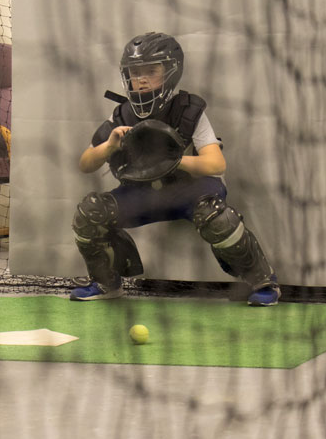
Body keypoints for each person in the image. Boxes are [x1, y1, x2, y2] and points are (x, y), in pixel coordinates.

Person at [69, 31, 280, 306]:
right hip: (144, 195)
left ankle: (263, 281)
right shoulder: (122, 114)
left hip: (187, 190)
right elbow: (85, 164)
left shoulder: (187, 109)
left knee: (217, 217)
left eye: (151, 71)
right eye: (135, 72)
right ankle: (106, 281)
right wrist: (108, 146)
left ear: (170, 72)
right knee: (90, 212)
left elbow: (216, 164)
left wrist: (173, 161)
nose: (141, 79)